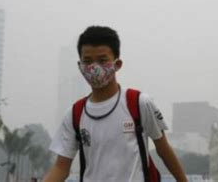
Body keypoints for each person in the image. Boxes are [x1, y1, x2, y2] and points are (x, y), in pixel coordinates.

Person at [44, 26, 187, 182]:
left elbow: (163, 149)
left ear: (117, 64)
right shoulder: (75, 114)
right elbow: (61, 167)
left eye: (102, 60)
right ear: (80, 66)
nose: (94, 67)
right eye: (88, 61)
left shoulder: (139, 103)